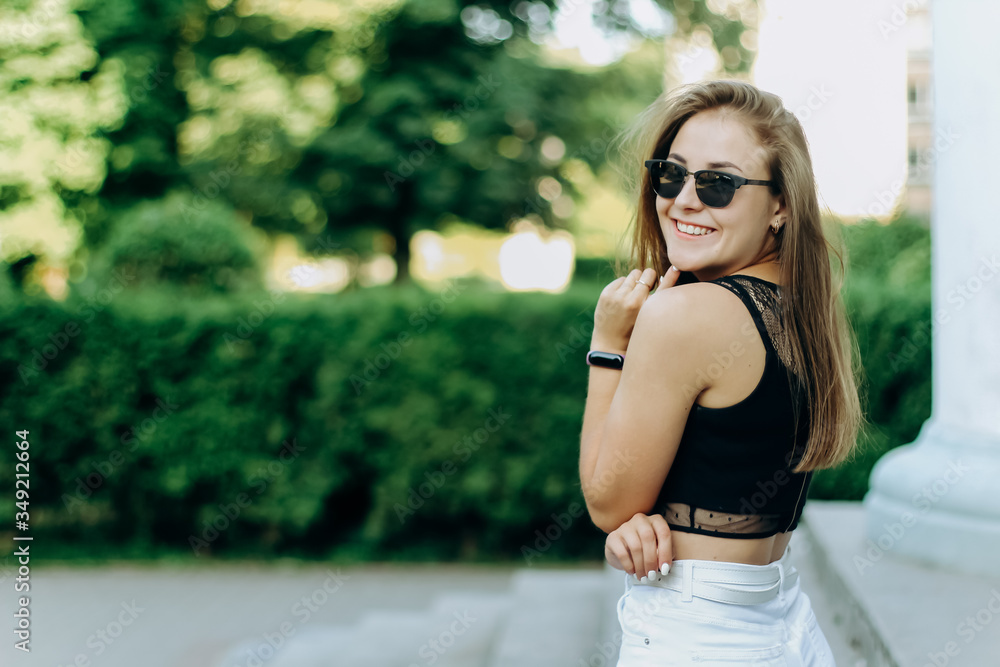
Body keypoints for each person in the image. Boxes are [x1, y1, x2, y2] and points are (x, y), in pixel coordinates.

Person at [578, 79, 863, 666]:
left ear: (781, 204)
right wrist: (639, 523)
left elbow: (608, 504)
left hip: (698, 635)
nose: (684, 200)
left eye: (718, 183)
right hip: (783, 624)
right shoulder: (803, 312)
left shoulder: (683, 314)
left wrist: (607, 346)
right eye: (671, 175)